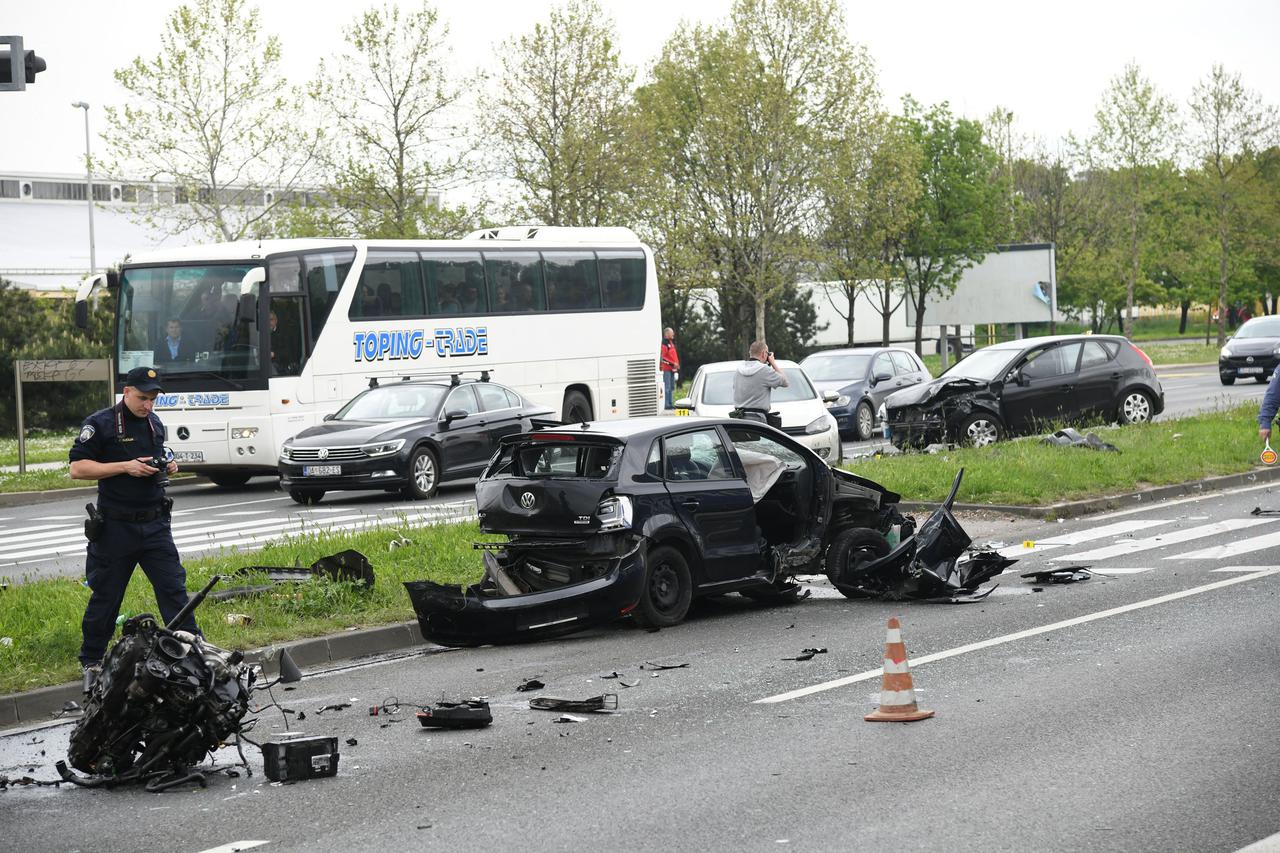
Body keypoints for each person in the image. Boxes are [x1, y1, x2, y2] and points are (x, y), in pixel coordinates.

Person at [69, 366, 198, 692]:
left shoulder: (155, 424)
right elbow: (77, 468)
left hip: (155, 524)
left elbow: (157, 458)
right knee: (107, 597)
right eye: (142, 398)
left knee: (174, 590)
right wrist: (124, 467)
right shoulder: (100, 424)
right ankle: (92, 661)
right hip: (116, 528)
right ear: (126, 392)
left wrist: (167, 464)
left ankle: (192, 653)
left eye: (153, 399)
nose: (148, 405)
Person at [732, 340, 789, 424]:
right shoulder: (764, 370)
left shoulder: (738, 370)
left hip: (739, 418)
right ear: (763, 353)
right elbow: (785, 382)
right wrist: (773, 362)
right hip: (757, 419)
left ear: (750, 353)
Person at [660, 327, 680, 410]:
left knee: (672, 387)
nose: (673, 334)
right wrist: (672, 364)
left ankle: (670, 403)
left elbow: (673, 356)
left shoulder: (671, 343)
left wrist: (677, 364)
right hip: (666, 369)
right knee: (667, 387)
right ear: (667, 334)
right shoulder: (664, 344)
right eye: (672, 333)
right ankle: (666, 404)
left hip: (672, 369)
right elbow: (662, 358)